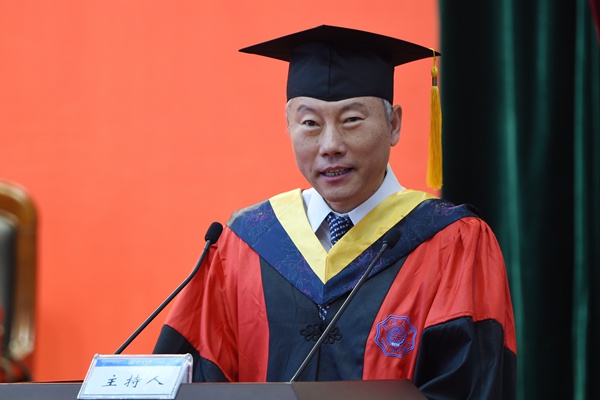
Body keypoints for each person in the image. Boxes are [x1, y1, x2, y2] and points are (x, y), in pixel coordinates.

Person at [153, 25, 517, 399]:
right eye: (310, 123)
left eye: (351, 120)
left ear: (393, 125)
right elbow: (194, 381)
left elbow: (470, 383)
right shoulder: (244, 243)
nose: (330, 145)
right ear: (288, 127)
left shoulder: (451, 242)